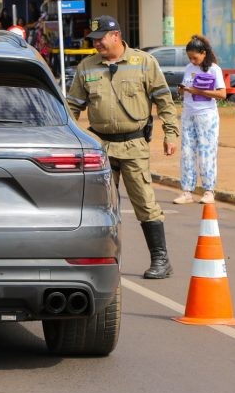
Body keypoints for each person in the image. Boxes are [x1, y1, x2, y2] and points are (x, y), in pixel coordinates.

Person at [66, 16, 180, 279]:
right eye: (93, 41)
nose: (96, 45)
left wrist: (171, 134)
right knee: (98, 206)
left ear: (116, 35)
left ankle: (161, 259)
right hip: (100, 147)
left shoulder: (144, 63)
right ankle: (100, 261)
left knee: (145, 203)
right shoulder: (86, 67)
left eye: (100, 39)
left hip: (134, 145)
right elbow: (72, 107)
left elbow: (164, 100)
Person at [174, 35, 226, 205]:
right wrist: (183, 90)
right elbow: (187, 88)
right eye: (189, 57)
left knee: (206, 152)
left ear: (203, 53)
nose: (192, 60)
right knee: (187, 152)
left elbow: (222, 94)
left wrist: (199, 92)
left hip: (206, 116)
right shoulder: (189, 68)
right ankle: (187, 191)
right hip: (188, 114)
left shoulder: (214, 69)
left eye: (195, 57)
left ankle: (209, 190)